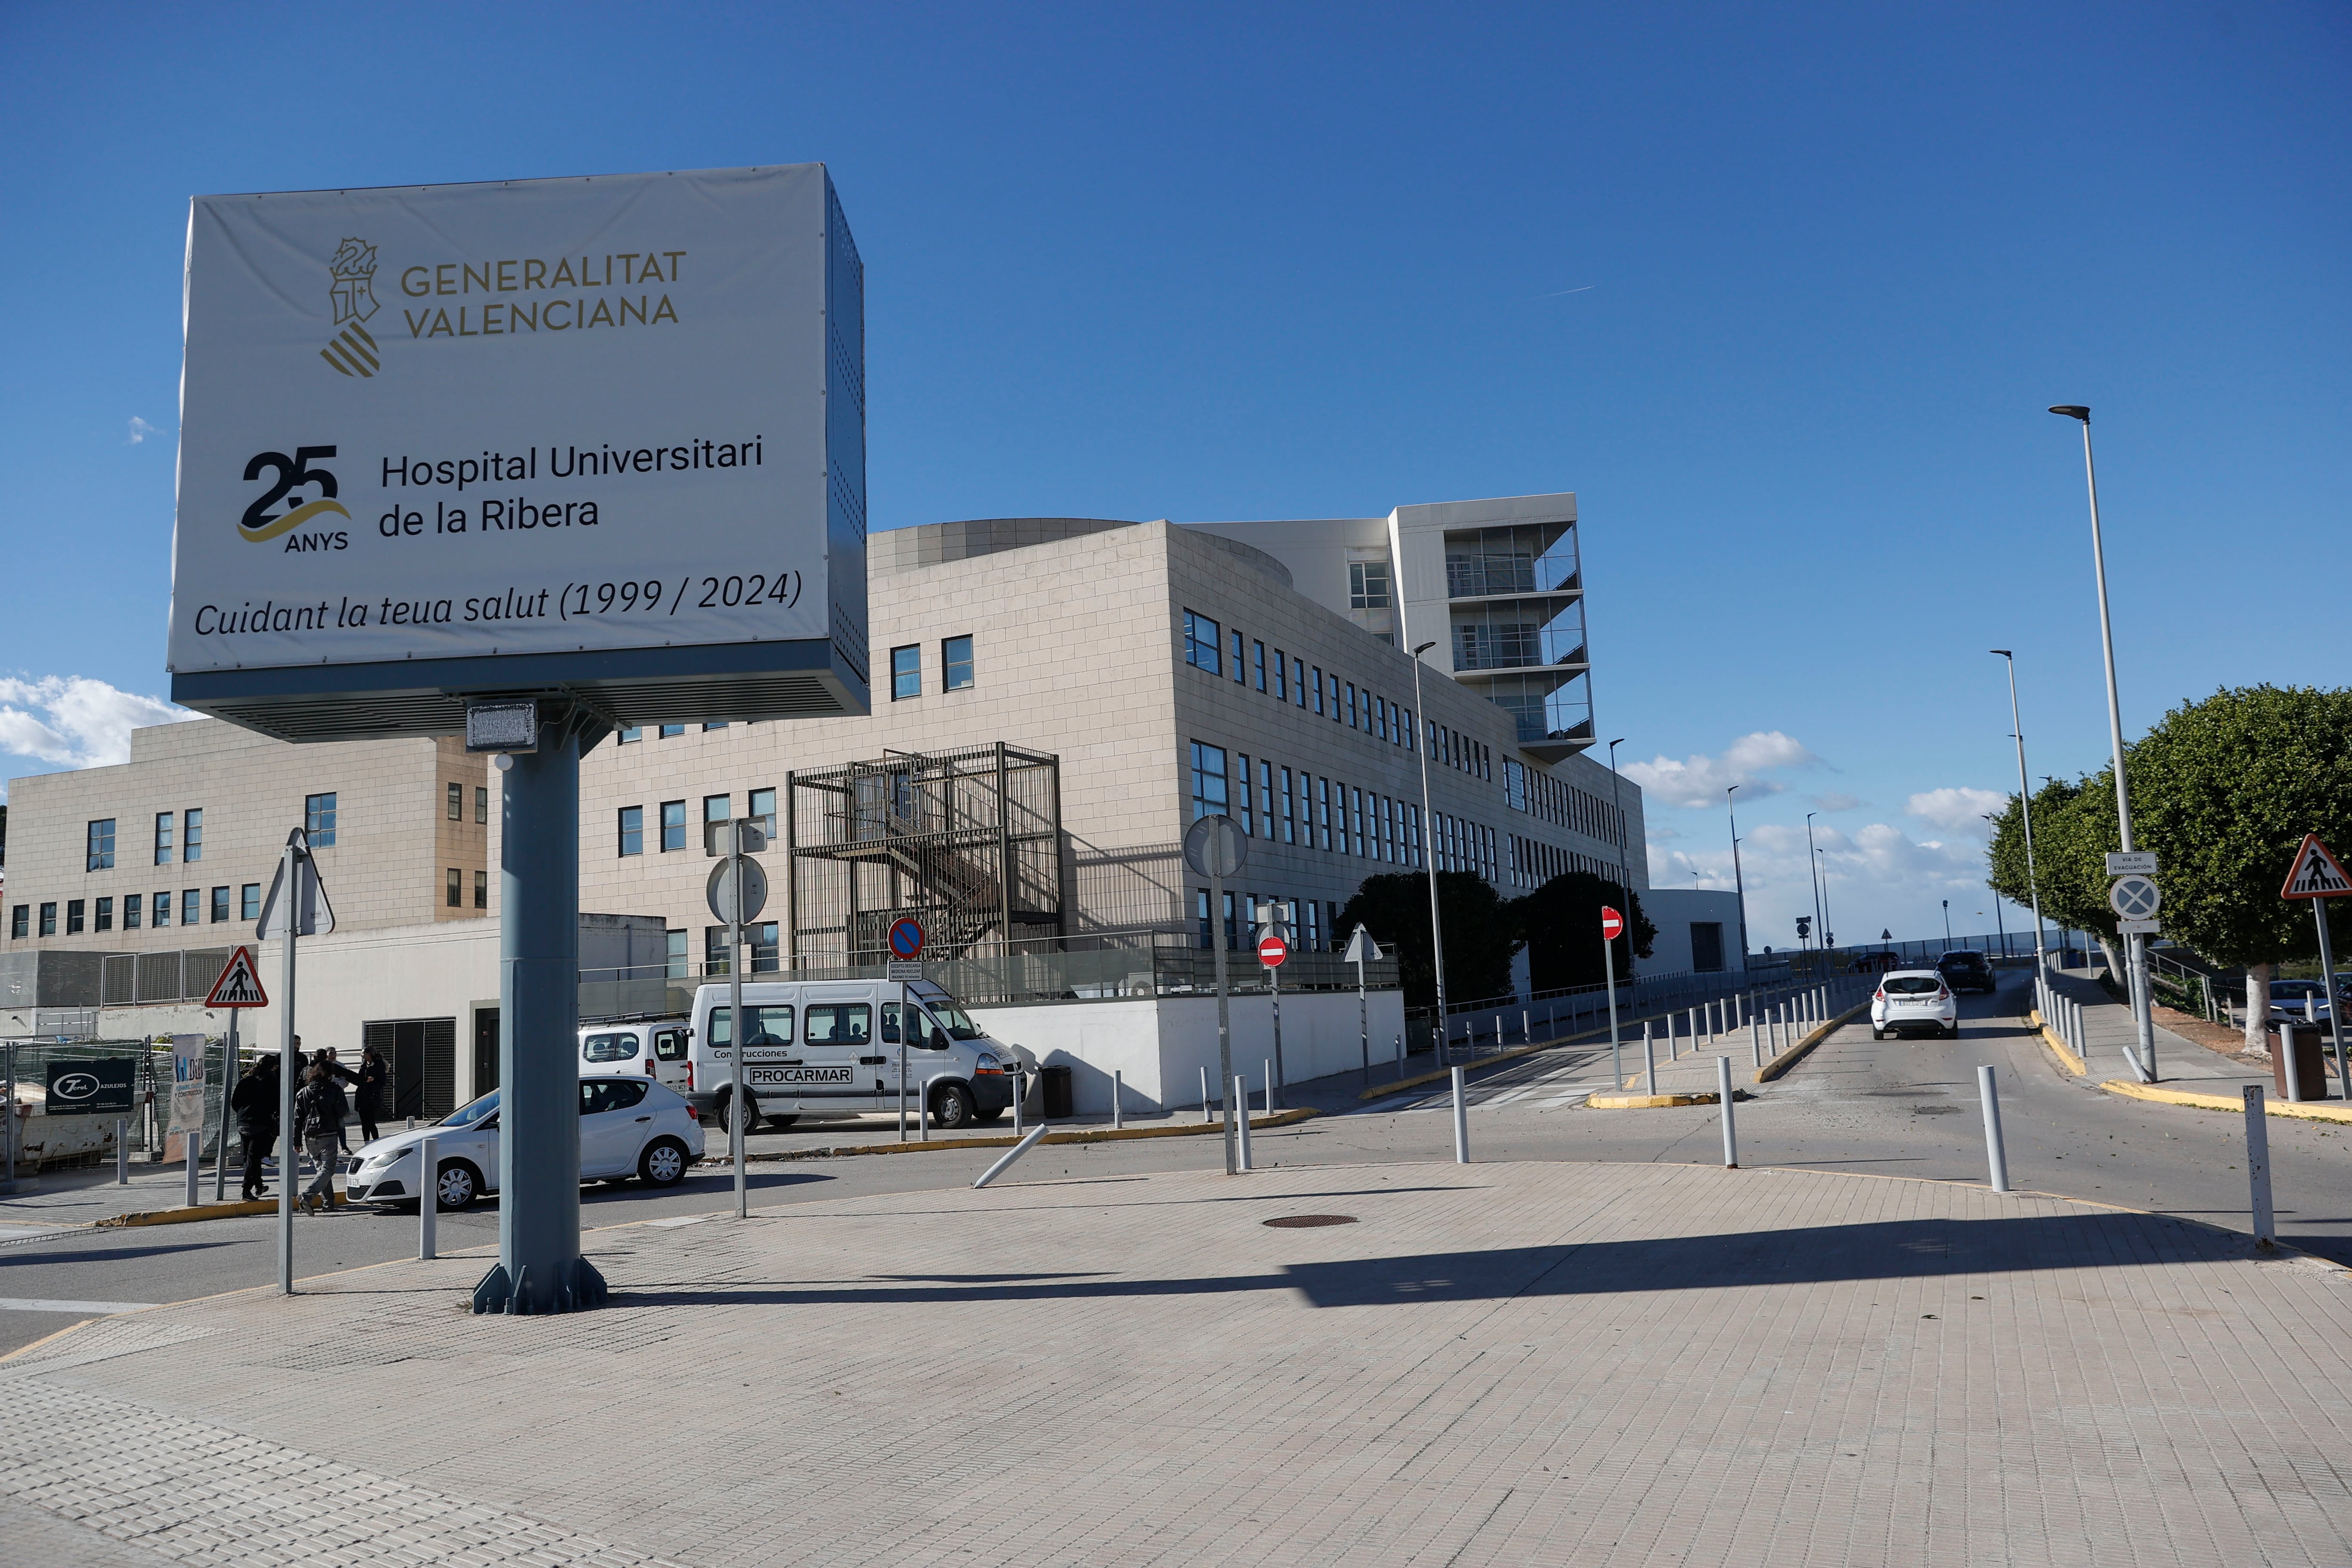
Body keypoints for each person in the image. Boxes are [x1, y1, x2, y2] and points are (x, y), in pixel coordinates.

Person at [293, 1064, 348, 1214]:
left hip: (310, 1137)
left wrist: (296, 1142)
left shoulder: (303, 1092)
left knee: (322, 1171)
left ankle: (328, 1204)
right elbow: (343, 1111)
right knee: (328, 1170)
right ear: (329, 1075)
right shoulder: (335, 1089)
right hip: (329, 1134)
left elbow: (297, 1120)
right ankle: (307, 1196)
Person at [229, 1053, 281, 1201]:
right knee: (254, 1158)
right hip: (261, 1124)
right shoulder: (272, 1082)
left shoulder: (247, 1080)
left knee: (252, 1158)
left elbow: (235, 1102)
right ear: (274, 1067)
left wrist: (242, 1115)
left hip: (243, 1122)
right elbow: (278, 1103)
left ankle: (259, 1185)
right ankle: (246, 1190)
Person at [354, 1045, 387, 1144]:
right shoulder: (364, 1066)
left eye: (364, 1053)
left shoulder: (378, 1065)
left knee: (371, 1121)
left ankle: (376, 1141)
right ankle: (366, 1142)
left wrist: (373, 1081)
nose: (362, 1055)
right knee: (364, 1122)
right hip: (362, 1098)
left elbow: (382, 1082)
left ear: (369, 1054)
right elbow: (360, 1079)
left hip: (372, 1098)